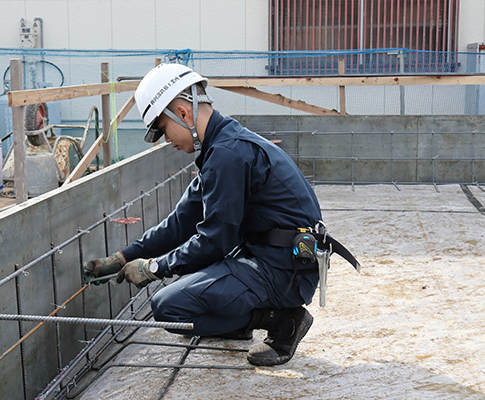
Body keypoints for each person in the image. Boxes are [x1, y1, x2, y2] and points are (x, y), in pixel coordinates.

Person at [84, 63, 357, 367]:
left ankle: (284, 320)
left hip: (284, 269)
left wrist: (154, 267)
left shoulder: (227, 155)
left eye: (162, 129)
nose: (165, 140)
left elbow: (215, 241)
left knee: (168, 307)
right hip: (271, 257)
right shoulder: (221, 147)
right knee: (187, 279)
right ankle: (240, 322)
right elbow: (182, 222)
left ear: (183, 113)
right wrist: (123, 257)